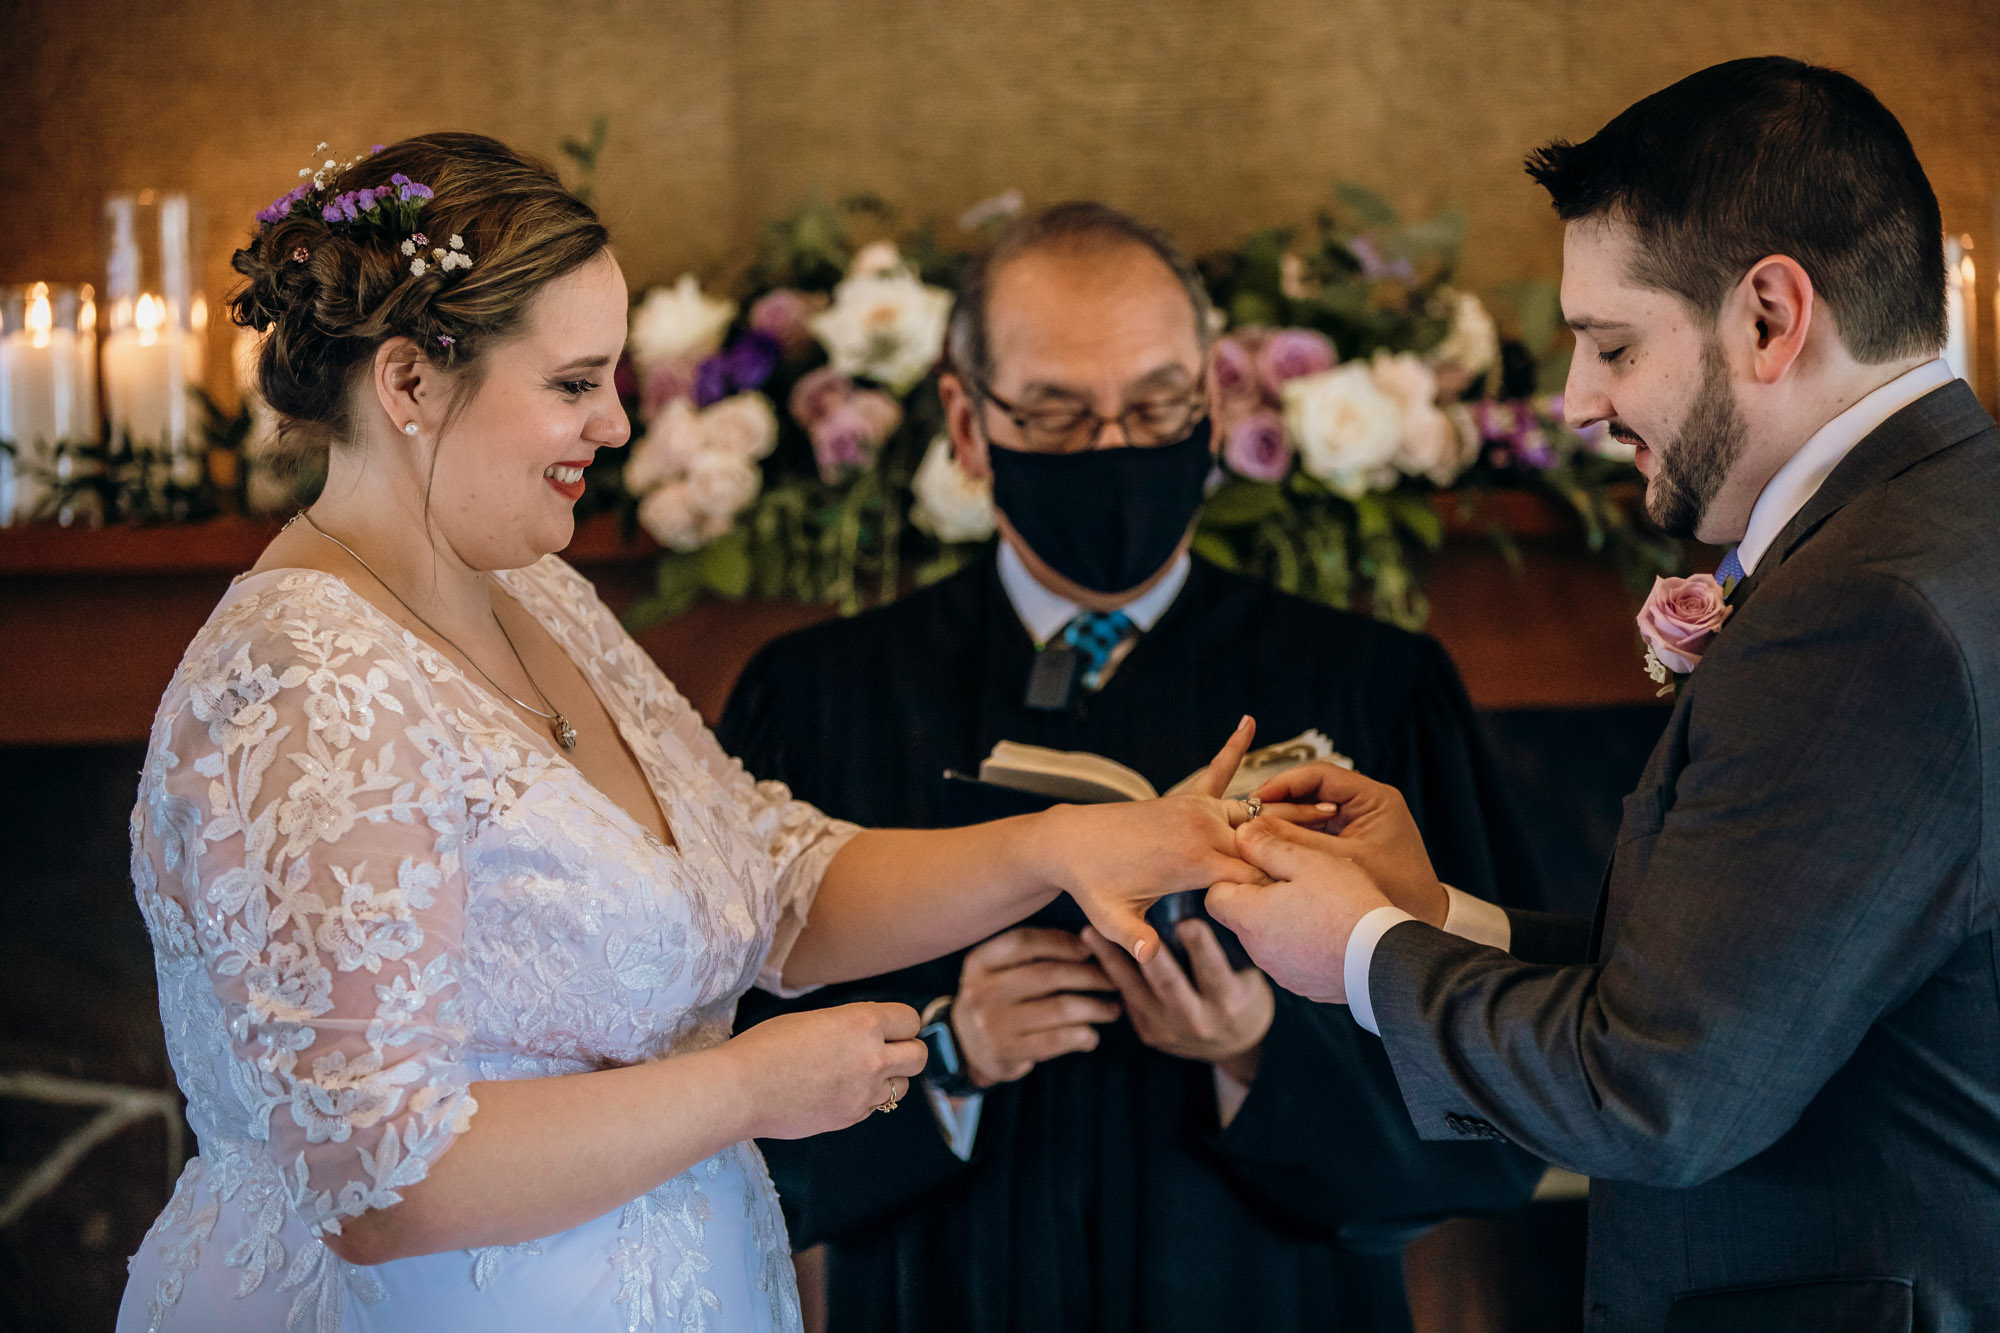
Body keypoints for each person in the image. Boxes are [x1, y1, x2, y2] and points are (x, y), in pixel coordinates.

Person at [116, 135, 1268, 1333]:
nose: (614, 426)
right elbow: (379, 1179)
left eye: (612, 378)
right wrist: (743, 1088)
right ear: (406, 384)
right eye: (572, 384)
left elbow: (772, 877)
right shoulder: (303, 679)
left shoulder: (533, 589)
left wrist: (1059, 847)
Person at [1208, 57, 2000, 1333]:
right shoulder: (1944, 527)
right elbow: (1748, 985)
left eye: (1612, 344)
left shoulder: (1867, 610)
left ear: (1766, 316)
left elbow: (1658, 1091)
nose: (1578, 401)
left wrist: (1355, 955)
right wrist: (1432, 912)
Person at [721, 202, 1544, 1333]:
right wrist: (943, 1057)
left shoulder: (1375, 685)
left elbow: (1501, 1111)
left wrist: (1253, 1049)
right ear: (967, 424)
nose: (1112, 452)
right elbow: (717, 1121)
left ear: (1209, 405)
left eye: (1154, 407)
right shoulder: (815, 700)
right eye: (1057, 417)